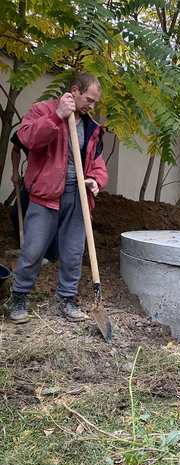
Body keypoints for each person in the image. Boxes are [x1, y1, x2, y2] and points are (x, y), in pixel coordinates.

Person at [9, 72, 109, 324]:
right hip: (46, 195)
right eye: (89, 99)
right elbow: (28, 140)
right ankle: (19, 297)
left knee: (73, 252)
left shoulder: (89, 126)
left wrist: (95, 180)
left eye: (95, 102)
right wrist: (57, 117)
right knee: (33, 250)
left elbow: (96, 162)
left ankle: (67, 298)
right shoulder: (42, 110)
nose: (92, 106)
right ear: (74, 90)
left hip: (77, 197)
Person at [9, 132, 59, 262]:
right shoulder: (26, 130)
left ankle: (49, 255)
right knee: (16, 213)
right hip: (32, 179)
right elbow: (15, 150)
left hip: (52, 182)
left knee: (49, 216)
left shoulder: (55, 130)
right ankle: (26, 245)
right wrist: (15, 172)